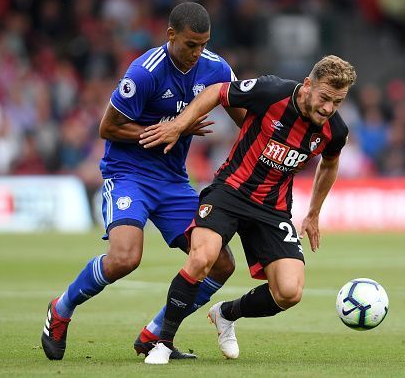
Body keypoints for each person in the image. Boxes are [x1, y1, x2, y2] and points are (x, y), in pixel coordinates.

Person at [41, 2, 245, 361]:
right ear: (171, 36)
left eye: (203, 44)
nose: (197, 53)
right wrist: (167, 130)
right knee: (124, 258)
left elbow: (245, 118)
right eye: (190, 45)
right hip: (128, 174)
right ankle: (61, 309)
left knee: (221, 263)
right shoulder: (145, 72)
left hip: (172, 181)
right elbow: (108, 127)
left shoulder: (216, 69)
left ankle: (155, 334)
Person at [138, 55, 357, 364]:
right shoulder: (271, 92)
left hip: (273, 209)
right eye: (325, 98)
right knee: (202, 258)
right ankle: (163, 343)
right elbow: (217, 91)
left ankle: (226, 314)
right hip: (230, 191)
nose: (328, 108)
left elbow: (330, 163)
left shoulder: (335, 130)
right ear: (307, 85)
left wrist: (314, 213)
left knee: (290, 292)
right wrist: (178, 126)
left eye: (337, 102)